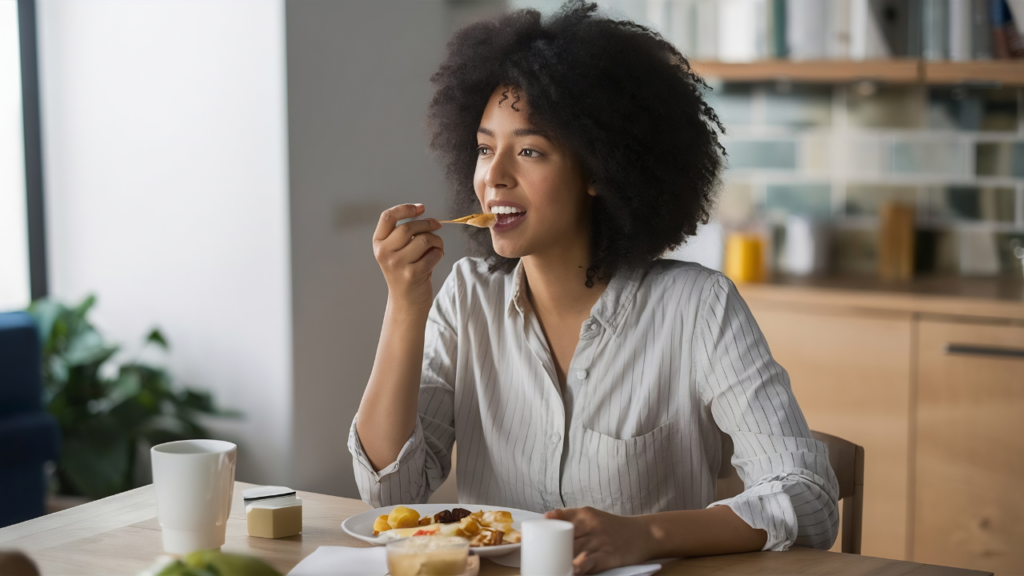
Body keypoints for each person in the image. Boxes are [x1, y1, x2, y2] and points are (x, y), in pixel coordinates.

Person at [348, 1, 839, 572]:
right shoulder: (465, 298)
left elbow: (809, 497)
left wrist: (647, 535)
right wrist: (406, 303)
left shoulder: (699, 308)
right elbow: (389, 490)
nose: (494, 175)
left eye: (529, 151)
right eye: (484, 148)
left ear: (599, 170)